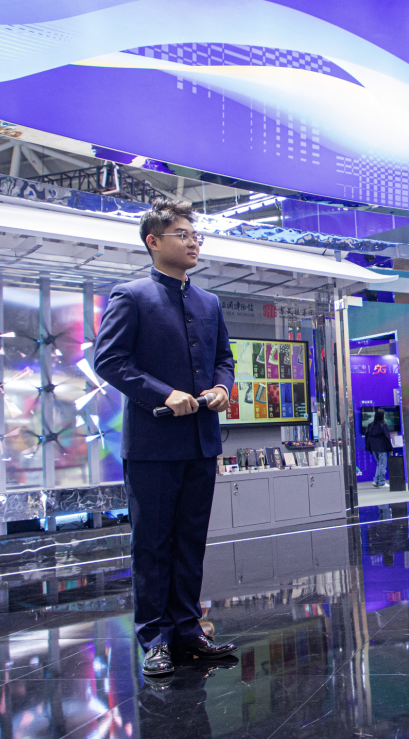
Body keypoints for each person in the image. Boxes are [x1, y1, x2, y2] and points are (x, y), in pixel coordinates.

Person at [94, 198, 237, 678]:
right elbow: (109, 361)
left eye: (196, 235)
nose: (194, 242)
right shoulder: (131, 296)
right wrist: (163, 393)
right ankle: (154, 638)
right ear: (153, 242)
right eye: (183, 234)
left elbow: (224, 359)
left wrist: (222, 388)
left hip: (201, 441)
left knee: (190, 541)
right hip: (153, 445)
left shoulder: (209, 302)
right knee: (152, 544)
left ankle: (188, 631)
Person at [365, 409, 393, 488]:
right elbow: (387, 438)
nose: (384, 415)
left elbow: (367, 437)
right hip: (382, 448)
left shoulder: (370, 425)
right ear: (381, 416)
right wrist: (390, 449)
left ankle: (376, 481)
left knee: (379, 464)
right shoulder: (383, 425)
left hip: (374, 448)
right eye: (384, 414)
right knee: (382, 465)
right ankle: (382, 482)